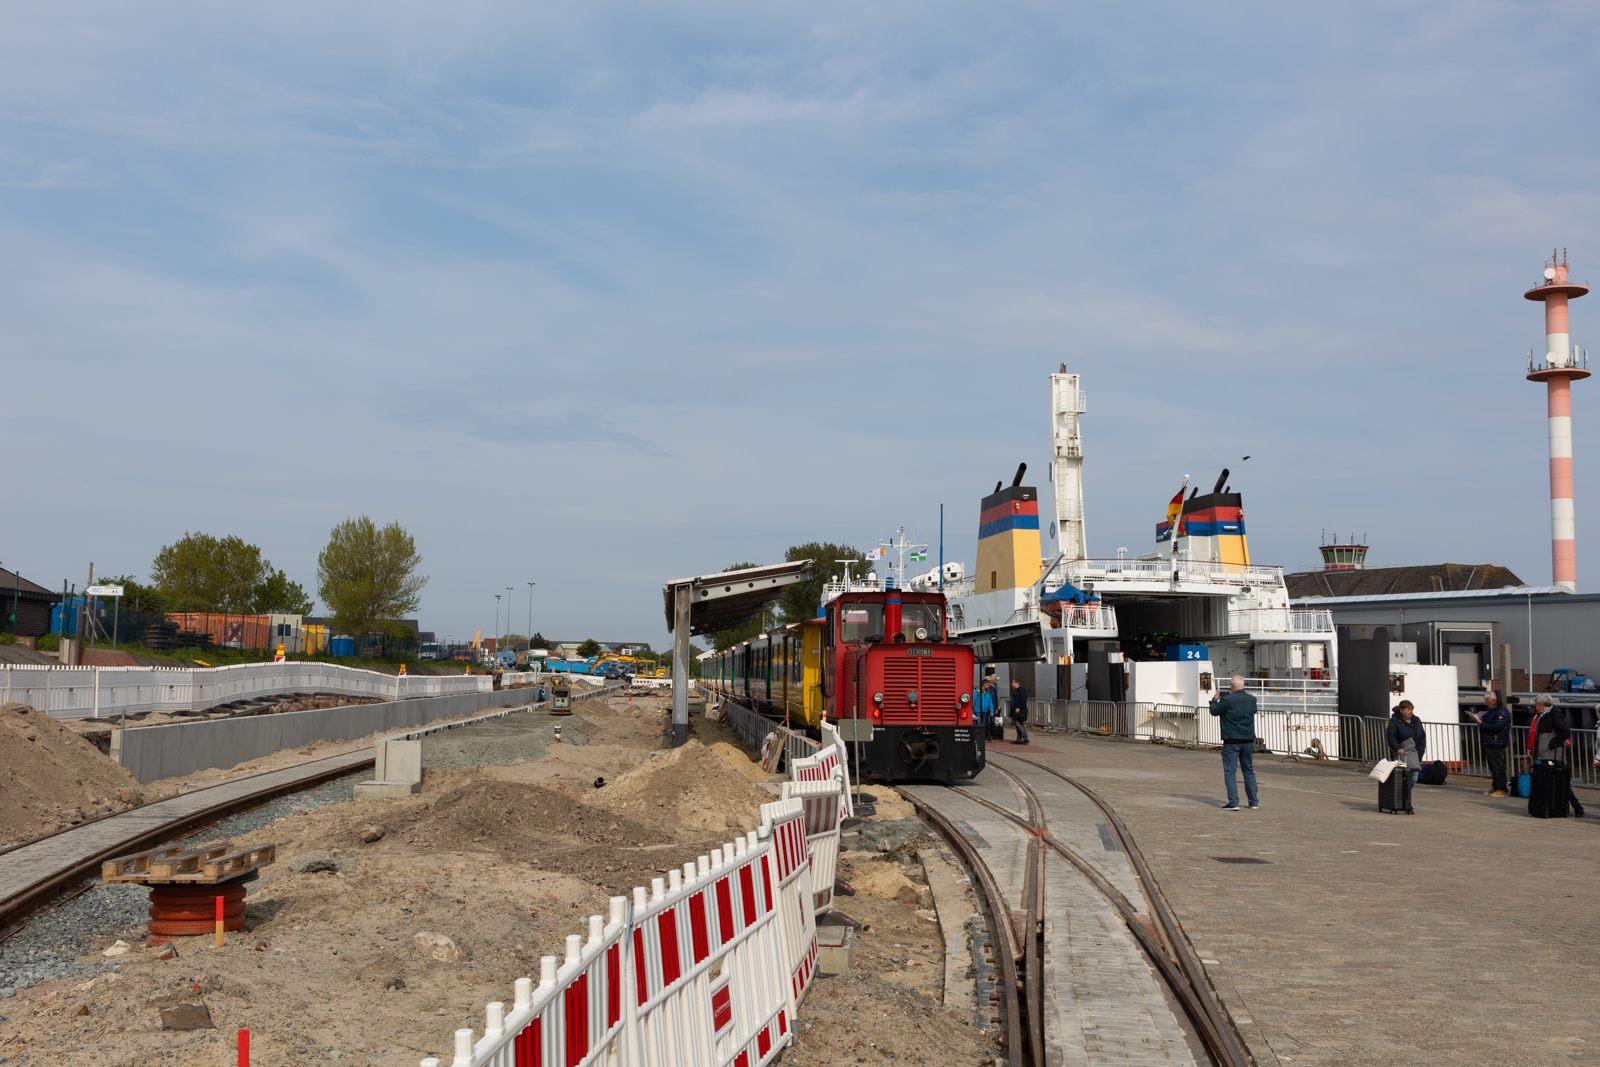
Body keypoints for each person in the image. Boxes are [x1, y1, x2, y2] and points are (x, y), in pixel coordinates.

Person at [1529, 695, 1585, 817]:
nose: (1535, 706)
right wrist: (1533, 748)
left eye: (1536, 704)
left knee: (1559, 781)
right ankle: (1548, 806)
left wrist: (1552, 743)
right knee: (1548, 782)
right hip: (1542, 753)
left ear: (1541, 704)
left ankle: (1576, 806)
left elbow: (1565, 731)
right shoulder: (1541, 715)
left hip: (1551, 754)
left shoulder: (1555, 714)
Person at [1209, 675, 1259, 810]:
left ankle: (1233, 803)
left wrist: (1215, 699)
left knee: (1230, 771)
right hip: (1248, 739)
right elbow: (1253, 711)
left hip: (1231, 740)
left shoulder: (1227, 699)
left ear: (1232, 686)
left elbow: (1214, 711)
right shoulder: (1252, 699)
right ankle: (1253, 802)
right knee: (1248, 770)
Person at [1470, 689, 1511, 796]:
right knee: (1492, 766)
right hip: (1491, 741)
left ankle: (1502, 788)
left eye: (1488, 701)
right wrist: (1480, 717)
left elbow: (1496, 727)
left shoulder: (1501, 711)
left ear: (1494, 700)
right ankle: (1496, 786)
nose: (1486, 703)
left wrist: (1480, 723)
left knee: (1498, 766)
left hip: (1497, 742)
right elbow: (1492, 722)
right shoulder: (1493, 710)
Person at [1386, 700, 1427, 785]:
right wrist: (1397, 748)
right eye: (1408, 710)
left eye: (1412, 709)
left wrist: (1422, 748)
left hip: (1414, 754)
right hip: (1402, 753)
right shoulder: (1394, 721)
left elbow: (1422, 735)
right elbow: (1391, 736)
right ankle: (1401, 796)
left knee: (1414, 778)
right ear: (1401, 710)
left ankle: (1404, 796)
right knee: (1402, 778)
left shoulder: (1416, 720)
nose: (1410, 712)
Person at [1009, 677, 1030, 745]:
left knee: (1019, 723)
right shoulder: (1016, 690)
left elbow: (1023, 700)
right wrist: (1011, 712)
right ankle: (1019, 738)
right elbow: (1013, 701)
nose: (1012, 684)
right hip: (1015, 710)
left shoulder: (1021, 690)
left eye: (1013, 683)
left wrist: (1019, 707)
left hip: (1020, 710)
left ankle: (1025, 738)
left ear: (1016, 683)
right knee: (1016, 724)